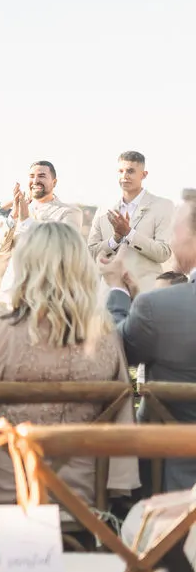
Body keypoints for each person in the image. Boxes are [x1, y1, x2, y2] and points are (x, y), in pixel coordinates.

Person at [0, 221, 139, 517]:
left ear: (24, 268)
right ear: (82, 270)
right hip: (82, 504)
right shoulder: (104, 339)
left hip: (1, 501)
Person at [102, 188, 196, 492]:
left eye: (175, 229)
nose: (171, 240)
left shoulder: (159, 307)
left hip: (174, 491)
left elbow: (113, 352)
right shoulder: (157, 307)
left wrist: (117, 290)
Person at [0, 161, 83, 306]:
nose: (35, 181)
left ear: (54, 182)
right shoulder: (18, 210)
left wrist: (26, 220)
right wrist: (14, 215)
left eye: (41, 176)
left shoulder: (69, 212)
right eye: (31, 176)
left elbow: (63, 248)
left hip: (44, 300)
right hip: (10, 298)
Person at [88, 151, 175, 293]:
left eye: (130, 171)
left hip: (145, 292)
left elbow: (163, 253)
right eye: (121, 171)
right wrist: (115, 239)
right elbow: (91, 253)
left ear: (144, 175)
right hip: (109, 294)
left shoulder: (163, 206)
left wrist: (129, 233)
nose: (125, 176)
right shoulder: (104, 210)